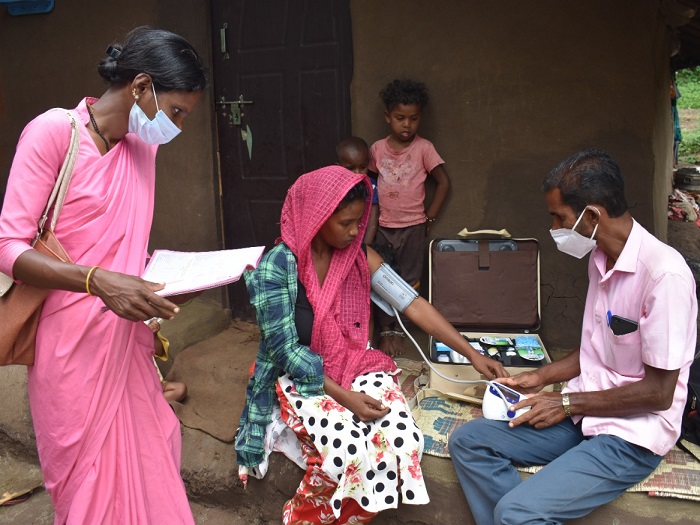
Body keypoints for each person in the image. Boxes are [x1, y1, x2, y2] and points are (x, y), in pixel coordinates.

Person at [0, 27, 207, 524]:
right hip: (68, 348)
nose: (177, 127)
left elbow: (124, 244)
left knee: (152, 458)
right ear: (140, 87)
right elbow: (9, 248)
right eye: (175, 112)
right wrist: (97, 281)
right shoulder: (55, 132)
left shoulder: (142, 150)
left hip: (125, 342)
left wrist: (154, 284)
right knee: (88, 483)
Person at [235, 165, 506, 524]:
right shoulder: (278, 267)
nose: (354, 231)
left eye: (358, 221)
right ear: (316, 216)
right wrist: (347, 400)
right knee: (350, 452)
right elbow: (286, 350)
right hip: (301, 374)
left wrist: (471, 353)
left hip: (355, 362)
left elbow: (413, 304)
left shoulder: (359, 258)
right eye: (345, 223)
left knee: (402, 439)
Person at [448, 149, 698, 525]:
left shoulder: (665, 277)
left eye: (560, 218)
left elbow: (660, 394)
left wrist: (565, 403)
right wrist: (540, 378)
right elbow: (596, 350)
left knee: (515, 512)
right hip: (583, 416)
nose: (554, 228)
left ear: (592, 215)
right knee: (470, 442)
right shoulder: (601, 260)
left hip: (631, 435)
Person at [368, 79, 451, 357]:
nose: (407, 125)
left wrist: (429, 217)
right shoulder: (378, 150)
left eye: (413, 119)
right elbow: (369, 185)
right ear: (387, 117)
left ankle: (400, 329)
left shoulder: (424, 148)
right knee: (382, 278)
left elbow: (443, 183)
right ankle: (386, 329)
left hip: (413, 227)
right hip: (382, 228)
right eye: (400, 118)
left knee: (409, 280)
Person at [336, 136, 378, 245]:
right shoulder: (335, 187)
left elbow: (373, 219)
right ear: (338, 167)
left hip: (362, 241)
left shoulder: (371, 186)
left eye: (363, 167)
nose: (358, 173)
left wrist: (366, 247)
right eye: (351, 168)